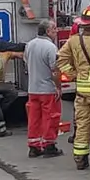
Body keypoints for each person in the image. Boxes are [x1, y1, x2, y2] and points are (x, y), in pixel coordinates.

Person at [58, 5, 90, 170]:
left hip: (81, 90)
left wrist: (73, 74)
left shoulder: (73, 40)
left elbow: (61, 60)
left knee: (82, 124)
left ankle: (80, 159)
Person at [24, 20, 63, 158]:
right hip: (47, 89)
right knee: (50, 117)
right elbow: (55, 70)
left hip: (33, 89)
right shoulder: (50, 47)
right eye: (54, 29)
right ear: (47, 31)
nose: (56, 31)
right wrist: (58, 87)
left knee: (34, 118)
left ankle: (34, 146)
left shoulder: (30, 44)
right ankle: (49, 145)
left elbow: (26, 62)